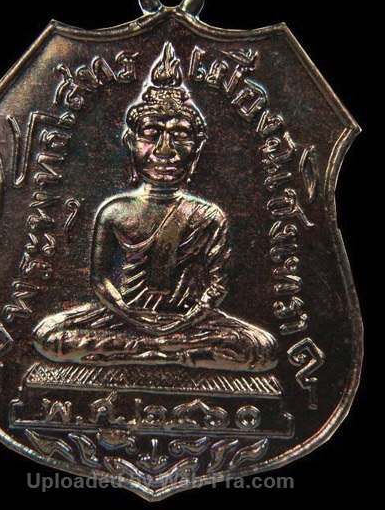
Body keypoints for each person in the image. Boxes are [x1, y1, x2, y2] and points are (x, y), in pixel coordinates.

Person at [34, 43, 277, 371]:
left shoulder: (209, 216)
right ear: (130, 143)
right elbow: (101, 282)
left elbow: (217, 284)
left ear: (197, 148)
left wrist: (189, 318)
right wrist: (129, 314)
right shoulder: (114, 211)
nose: (165, 149)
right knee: (48, 335)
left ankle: (137, 352)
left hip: (189, 321)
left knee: (261, 346)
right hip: (123, 317)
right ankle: (173, 353)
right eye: (151, 134)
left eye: (180, 135)